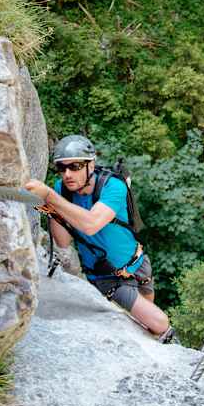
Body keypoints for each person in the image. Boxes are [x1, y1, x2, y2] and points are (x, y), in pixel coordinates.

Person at [25, 135, 177, 343]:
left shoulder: (113, 186)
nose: (67, 174)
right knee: (159, 323)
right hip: (108, 277)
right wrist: (54, 208)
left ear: (91, 165)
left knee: (147, 326)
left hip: (139, 265)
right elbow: (62, 241)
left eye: (75, 166)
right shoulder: (61, 190)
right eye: (62, 168)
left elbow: (91, 224)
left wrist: (51, 197)